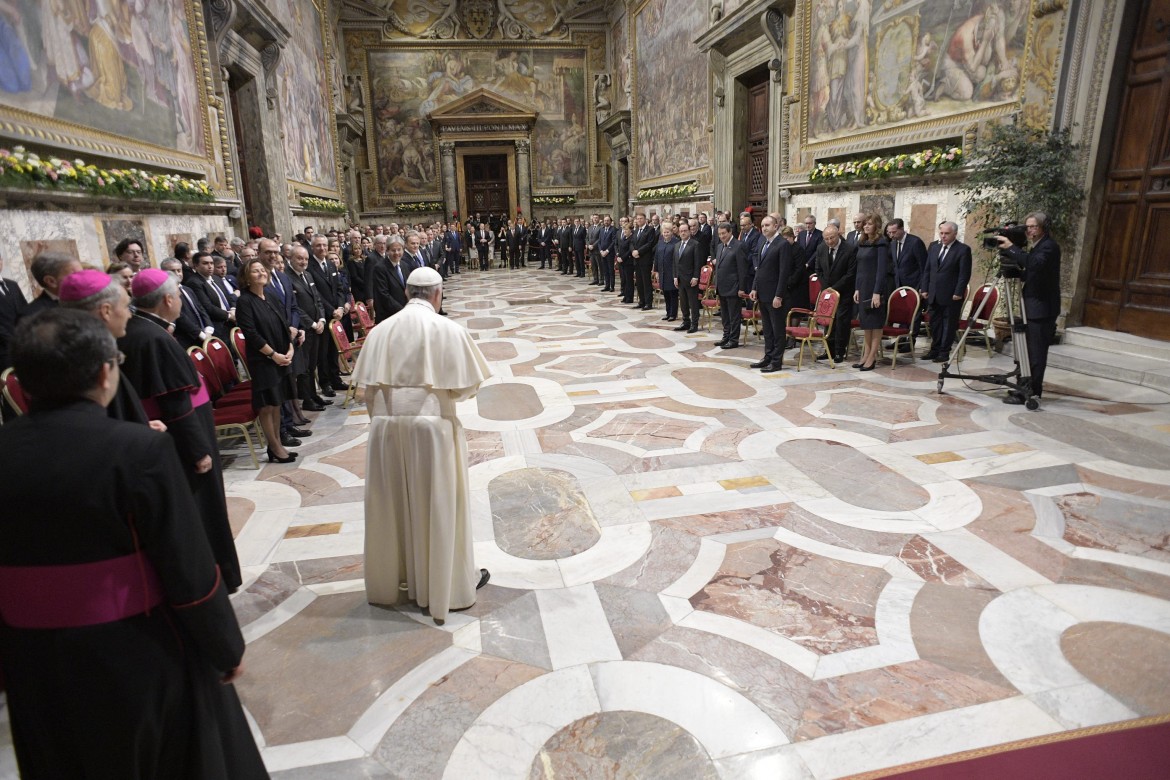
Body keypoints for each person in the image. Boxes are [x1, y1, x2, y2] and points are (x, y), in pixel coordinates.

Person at [0, 310, 266, 780]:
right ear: (105, 373)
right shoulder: (138, 450)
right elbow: (187, 563)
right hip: (135, 649)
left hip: (32, 658)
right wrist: (225, 646)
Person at [353, 267, 492, 626]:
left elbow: (365, 389)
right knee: (439, 504)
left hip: (384, 430)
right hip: (431, 429)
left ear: (405, 292)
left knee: (391, 507)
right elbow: (465, 388)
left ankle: (394, 583)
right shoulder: (448, 329)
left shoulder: (379, 331)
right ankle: (446, 588)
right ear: (437, 294)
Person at [121, 269, 243, 592]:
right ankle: (218, 576)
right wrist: (198, 450)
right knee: (205, 509)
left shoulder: (143, 330)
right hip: (185, 439)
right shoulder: (155, 338)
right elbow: (175, 402)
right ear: (168, 299)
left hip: (183, 433)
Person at [234, 256, 298, 463]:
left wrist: (289, 348)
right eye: (255, 271)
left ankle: (277, 443)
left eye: (263, 270)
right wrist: (273, 355)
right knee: (266, 405)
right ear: (246, 277)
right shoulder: (244, 301)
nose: (261, 273)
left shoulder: (269, 296)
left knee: (277, 401)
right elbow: (251, 334)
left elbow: (283, 324)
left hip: (281, 355)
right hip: (263, 359)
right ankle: (274, 446)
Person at [996, 211, 1062, 405]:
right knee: (1027, 350)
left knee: (1036, 352)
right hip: (1033, 306)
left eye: (1032, 226)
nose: (1028, 230)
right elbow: (1033, 273)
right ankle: (1023, 384)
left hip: (1042, 308)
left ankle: (1031, 391)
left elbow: (1034, 265)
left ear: (1043, 227)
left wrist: (1012, 248)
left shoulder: (1049, 247)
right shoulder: (1038, 246)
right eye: (1027, 226)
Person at [750, 215, 799, 373]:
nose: (764, 228)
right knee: (768, 328)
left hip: (775, 296)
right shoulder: (763, 243)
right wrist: (754, 288)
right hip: (763, 294)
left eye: (768, 225)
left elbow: (784, 272)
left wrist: (779, 295)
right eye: (763, 225)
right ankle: (768, 356)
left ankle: (777, 361)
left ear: (776, 226)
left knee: (777, 330)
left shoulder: (782, 244)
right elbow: (760, 269)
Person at [920, 221, 972, 362]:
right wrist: (924, 288)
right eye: (941, 233)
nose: (943, 236)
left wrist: (958, 292)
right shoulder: (934, 247)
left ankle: (944, 352)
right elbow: (927, 270)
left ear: (955, 234)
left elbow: (964, 274)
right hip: (934, 293)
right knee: (935, 324)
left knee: (948, 325)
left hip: (951, 295)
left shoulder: (963, 250)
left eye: (947, 233)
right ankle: (934, 349)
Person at [853, 214, 893, 371]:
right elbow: (859, 268)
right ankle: (865, 355)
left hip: (875, 288)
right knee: (866, 324)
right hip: (863, 287)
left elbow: (881, 271)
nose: (866, 227)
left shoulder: (881, 243)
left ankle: (872, 357)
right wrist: (857, 288)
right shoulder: (863, 242)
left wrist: (877, 292)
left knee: (875, 324)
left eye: (869, 224)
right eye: (865, 224)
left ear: (876, 226)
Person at [814, 225, 857, 363]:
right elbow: (818, 269)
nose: (829, 241)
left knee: (841, 322)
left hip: (843, 292)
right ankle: (829, 350)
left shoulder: (849, 249)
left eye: (831, 238)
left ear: (838, 235)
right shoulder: (821, 248)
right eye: (826, 239)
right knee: (828, 322)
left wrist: (834, 288)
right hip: (827, 291)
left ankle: (839, 351)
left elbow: (850, 273)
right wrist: (827, 288)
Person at [886, 218, 927, 352]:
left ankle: (910, 341)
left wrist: (922, 287)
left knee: (914, 315)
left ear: (902, 229)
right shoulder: (893, 244)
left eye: (894, 232)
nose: (891, 235)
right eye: (889, 233)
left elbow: (924, 267)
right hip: (900, 285)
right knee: (904, 314)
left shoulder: (915, 242)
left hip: (914, 285)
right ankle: (901, 340)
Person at [713, 222, 749, 349]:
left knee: (734, 316)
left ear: (730, 232)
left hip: (734, 287)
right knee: (725, 315)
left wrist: (741, 288)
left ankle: (733, 340)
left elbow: (742, 269)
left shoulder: (738, 246)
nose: (722, 236)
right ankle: (726, 336)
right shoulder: (719, 247)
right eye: (720, 234)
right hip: (722, 287)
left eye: (724, 233)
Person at [24, 252, 83, 318]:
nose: (83, 279)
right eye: (75, 276)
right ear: (51, 281)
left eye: (83, 273)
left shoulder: (87, 298)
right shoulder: (34, 315)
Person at [369, 235, 411, 323]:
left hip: (405, 313)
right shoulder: (380, 268)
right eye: (393, 250)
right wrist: (402, 310)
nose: (396, 253)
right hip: (389, 316)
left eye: (399, 249)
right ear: (387, 251)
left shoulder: (404, 265)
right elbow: (384, 294)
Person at [0, 250, 28, 371]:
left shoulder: (12, 285)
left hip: (25, 345)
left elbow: (25, 310)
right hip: (4, 351)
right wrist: (13, 340)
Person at [673, 219, 702, 334]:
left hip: (691, 279)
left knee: (693, 302)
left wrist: (696, 277)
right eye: (681, 231)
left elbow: (697, 262)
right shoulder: (677, 245)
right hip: (680, 278)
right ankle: (686, 322)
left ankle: (694, 324)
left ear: (689, 231)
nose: (683, 233)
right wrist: (675, 276)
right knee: (683, 302)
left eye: (685, 231)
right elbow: (675, 262)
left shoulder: (695, 244)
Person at [653, 221, 679, 322]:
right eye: (664, 232)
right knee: (666, 293)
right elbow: (657, 257)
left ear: (671, 232)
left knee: (672, 294)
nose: (666, 234)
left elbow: (676, 259)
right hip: (662, 272)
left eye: (667, 232)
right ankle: (668, 313)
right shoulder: (660, 242)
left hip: (671, 272)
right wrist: (656, 271)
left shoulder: (676, 243)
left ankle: (673, 314)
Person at [630, 213, 657, 309]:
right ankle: (641, 301)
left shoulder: (650, 230)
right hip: (636, 259)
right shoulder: (635, 230)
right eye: (637, 219)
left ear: (645, 219)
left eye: (641, 218)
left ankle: (648, 303)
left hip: (645, 259)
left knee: (646, 282)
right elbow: (632, 242)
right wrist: (633, 251)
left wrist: (638, 251)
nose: (639, 220)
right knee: (639, 282)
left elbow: (650, 244)